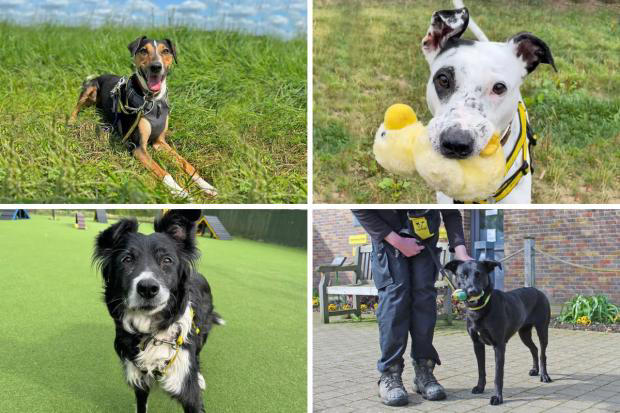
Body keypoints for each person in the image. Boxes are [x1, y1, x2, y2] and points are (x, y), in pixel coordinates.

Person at [351, 209, 472, 406]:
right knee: (395, 301)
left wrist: (461, 252)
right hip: (389, 242)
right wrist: (398, 241)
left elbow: (451, 213)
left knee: (424, 302)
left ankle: (424, 372)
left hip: (424, 244)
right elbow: (360, 208)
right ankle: (390, 375)